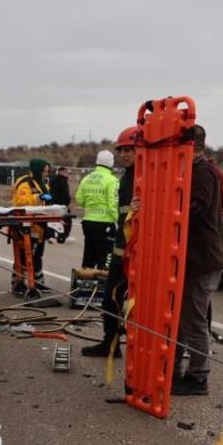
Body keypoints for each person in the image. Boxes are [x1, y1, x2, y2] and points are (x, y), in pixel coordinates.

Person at [173, 125, 223, 396]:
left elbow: (195, 208)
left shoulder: (203, 172)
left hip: (203, 261)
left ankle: (198, 378)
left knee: (194, 322)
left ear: (192, 145)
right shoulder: (195, 170)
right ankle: (184, 370)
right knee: (186, 319)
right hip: (196, 260)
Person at [81, 128, 137, 358]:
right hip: (119, 245)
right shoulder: (122, 178)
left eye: (129, 149)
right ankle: (110, 343)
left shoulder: (142, 177)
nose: (124, 154)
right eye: (121, 150)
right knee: (111, 297)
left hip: (133, 250)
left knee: (129, 302)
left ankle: (122, 343)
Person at [10, 158, 53, 294]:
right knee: (24, 255)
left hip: (39, 226)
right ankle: (18, 283)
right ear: (37, 170)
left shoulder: (41, 183)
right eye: (44, 171)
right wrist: (38, 198)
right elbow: (20, 202)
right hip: (26, 225)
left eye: (47, 171)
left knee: (37, 255)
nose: (46, 174)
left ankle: (38, 282)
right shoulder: (25, 183)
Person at [74, 150, 119, 268]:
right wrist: (117, 220)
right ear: (111, 163)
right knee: (105, 258)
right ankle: (102, 284)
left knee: (89, 255)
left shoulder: (86, 179)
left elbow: (79, 199)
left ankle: (84, 282)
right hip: (105, 224)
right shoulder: (112, 180)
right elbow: (113, 203)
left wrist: (91, 206)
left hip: (88, 222)